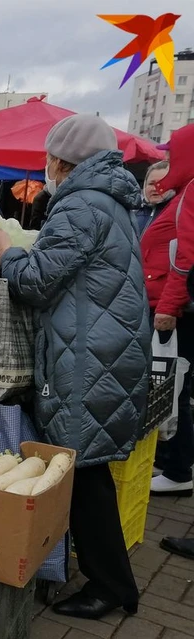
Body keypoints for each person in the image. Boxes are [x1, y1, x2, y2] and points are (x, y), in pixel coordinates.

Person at [0, 114, 150, 620]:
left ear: (62, 161)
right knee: (85, 469)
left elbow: (35, 282)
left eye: (48, 159)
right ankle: (112, 580)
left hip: (88, 355)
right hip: (102, 347)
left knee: (83, 472)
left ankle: (110, 587)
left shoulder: (80, 205)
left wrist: (7, 251)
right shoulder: (109, 201)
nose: (46, 167)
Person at [139, 129, 194, 497]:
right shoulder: (182, 195)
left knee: (176, 386)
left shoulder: (190, 194)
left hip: (172, 309)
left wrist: (169, 307)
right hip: (166, 303)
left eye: (172, 158)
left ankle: (177, 469)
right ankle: (173, 462)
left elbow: (185, 258)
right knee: (174, 386)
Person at [136, 160, 173, 236]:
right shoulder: (133, 211)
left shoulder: (178, 214)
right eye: (151, 183)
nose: (155, 188)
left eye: (161, 183)